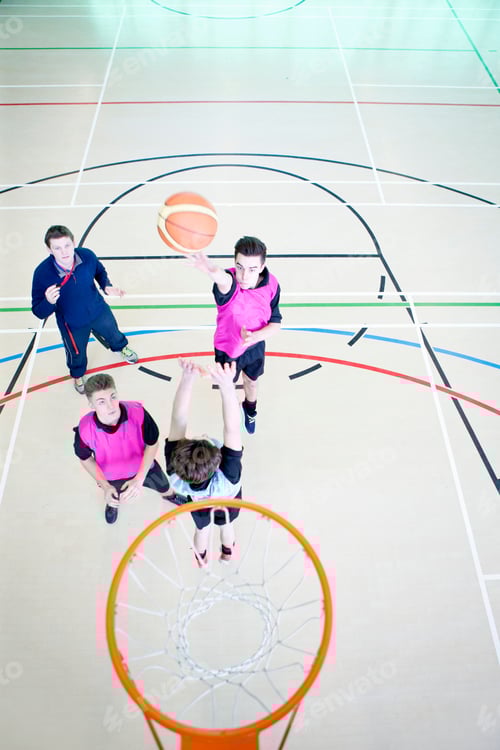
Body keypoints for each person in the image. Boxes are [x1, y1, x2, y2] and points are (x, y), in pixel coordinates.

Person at [187, 236, 282, 434]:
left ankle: (250, 410)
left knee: (252, 383)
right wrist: (213, 271)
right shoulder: (230, 285)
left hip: (255, 345)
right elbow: (224, 280)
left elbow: (275, 324)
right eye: (239, 267)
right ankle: (232, 427)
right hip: (228, 350)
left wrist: (255, 337)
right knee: (228, 391)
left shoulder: (272, 285)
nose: (244, 275)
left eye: (252, 269)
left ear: (263, 266)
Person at [31, 225, 138, 394]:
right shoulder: (42, 274)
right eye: (57, 248)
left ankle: (121, 348)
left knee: (114, 333)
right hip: (71, 323)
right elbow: (38, 310)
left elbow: (100, 271)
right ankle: (78, 374)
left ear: (74, 242)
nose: (64, 252)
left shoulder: (87, 256)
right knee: (76, 353)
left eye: (67, 245)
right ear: (49, 250)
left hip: (98, 310)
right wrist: (48, 301)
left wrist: (106, 285)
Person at [164, 358, 242, 567]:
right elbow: (232, 427)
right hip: (229, 500)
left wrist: (187, 379)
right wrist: (227, 387)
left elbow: (177, 420)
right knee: (226, 527)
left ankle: (202, 561)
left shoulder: (175, 473)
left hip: (199, 503)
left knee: (201, 530)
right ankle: (226, 555)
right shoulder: (229, 474)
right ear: (217, 463)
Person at [74, 373, 173, 524]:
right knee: (113, 496)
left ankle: (170, 496)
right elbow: (85, 459)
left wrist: (139, 479)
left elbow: (153, 444)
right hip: (111, 477)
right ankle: (111, 504)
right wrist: (106, 486)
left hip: (144, 468)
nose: (110, 405)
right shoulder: (85, 429)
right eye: (101, 402)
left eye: (113, 397)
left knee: (164, 486)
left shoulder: (138, 413)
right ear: (92, 405)